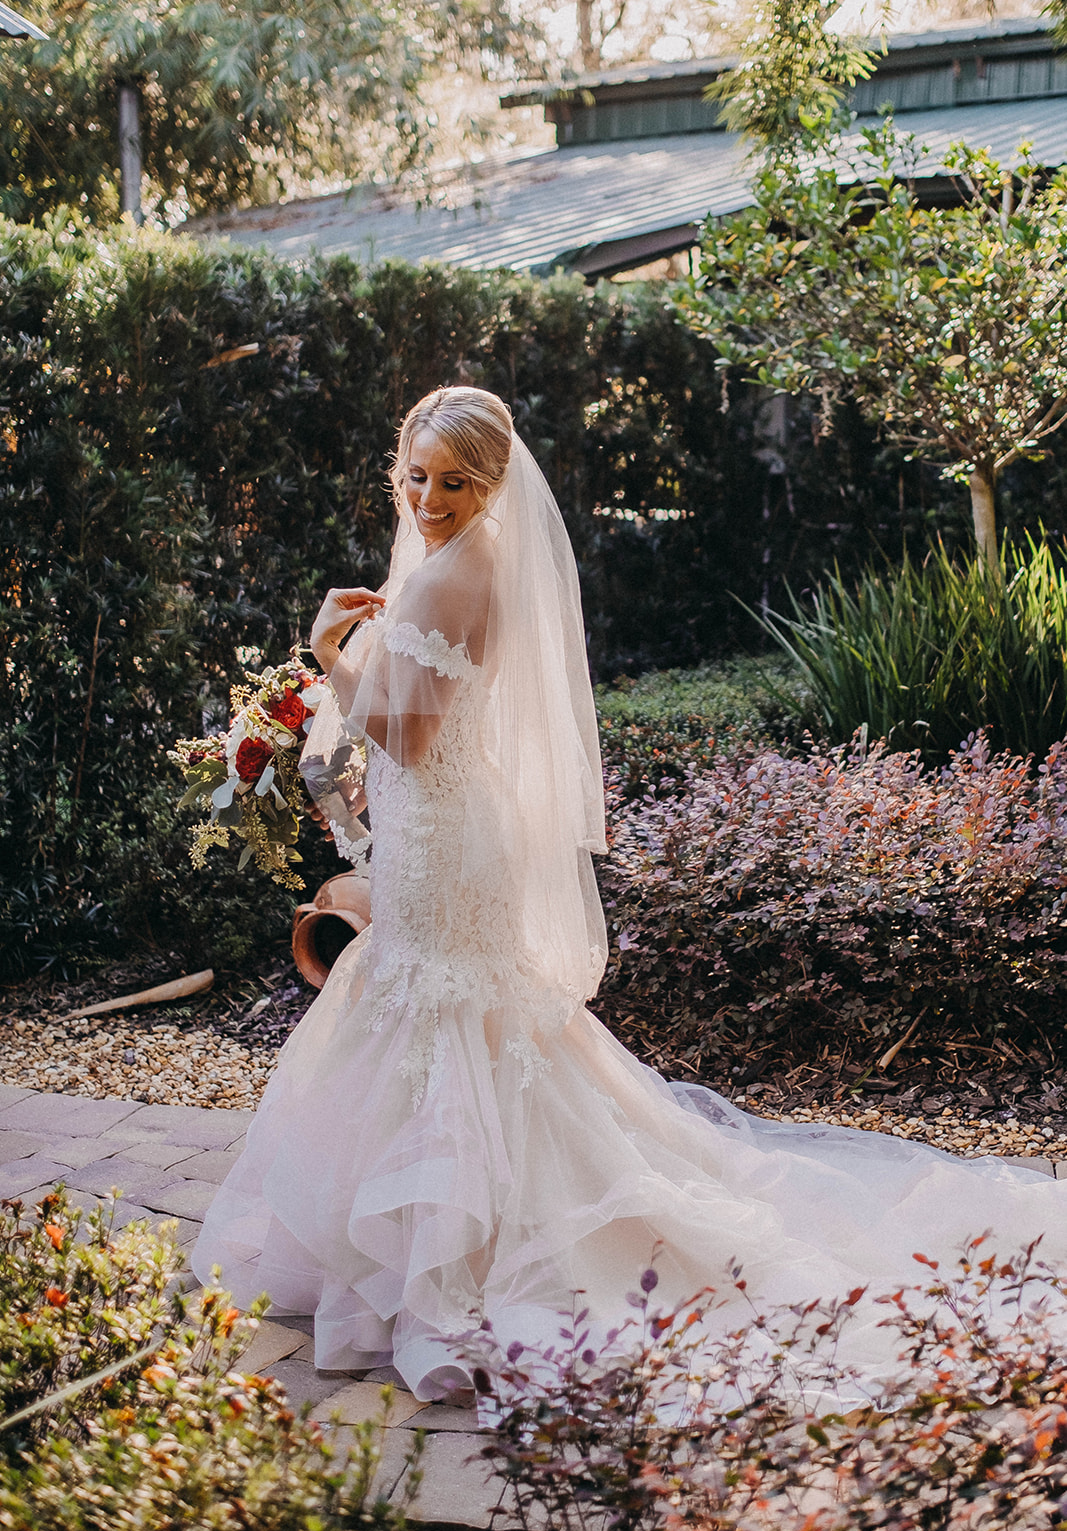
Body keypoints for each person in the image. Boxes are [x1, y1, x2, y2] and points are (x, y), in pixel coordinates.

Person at [193, 386, 1066, 1400]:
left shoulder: (444, 579)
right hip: (451, 828)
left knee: (439, 1006)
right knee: (462, 1015)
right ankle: (441, 1235)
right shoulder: (479, 558)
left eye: (453, 482)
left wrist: (328, 657)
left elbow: (407, 738)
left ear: (491, 484)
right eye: (416, 476)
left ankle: (447, 1261)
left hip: (441, 835)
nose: (428, 498)